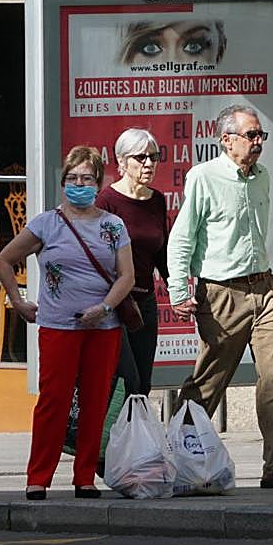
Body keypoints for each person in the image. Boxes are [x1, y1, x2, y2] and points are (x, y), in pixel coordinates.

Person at [167, 104, 273, 489]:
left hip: (266, 288)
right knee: (208, 383)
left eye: (261, 135)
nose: (258, 142)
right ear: (226, 140)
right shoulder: (203, 178)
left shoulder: (262, 177)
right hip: (222, 292)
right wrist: (180, 289)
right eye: (251, 135)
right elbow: (182, 237)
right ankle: (180, 456)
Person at [0, 146, 134, 500]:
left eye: (87, 178)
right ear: (62, 183)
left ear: (99, 183)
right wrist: (18, 300)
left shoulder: (112, 225)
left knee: (94, 401)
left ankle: (84, 476)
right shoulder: (47, 223)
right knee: (53, 401)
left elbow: (126, 276)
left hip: (102, 327)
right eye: (72, 178)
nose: (79, 184)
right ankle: (38, 477)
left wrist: (103, 308)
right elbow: (4, 260)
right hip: (58, 325)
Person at [96, 128, 169, 398]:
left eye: (154, 156)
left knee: (143, 385)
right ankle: (111, 438)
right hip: (115, 303)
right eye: (141, 157)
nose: (149, 163)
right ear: (122, 162)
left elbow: (162, 252)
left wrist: (180, 292)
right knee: (127, 380)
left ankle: (133, 439)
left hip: (145, 302)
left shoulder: (157, 200)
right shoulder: (106, 202)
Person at [118, 18, 228, 67]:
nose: (173, 63)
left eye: (193, 46)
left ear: (220, 51)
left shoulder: (238, 112)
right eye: (151, 48)